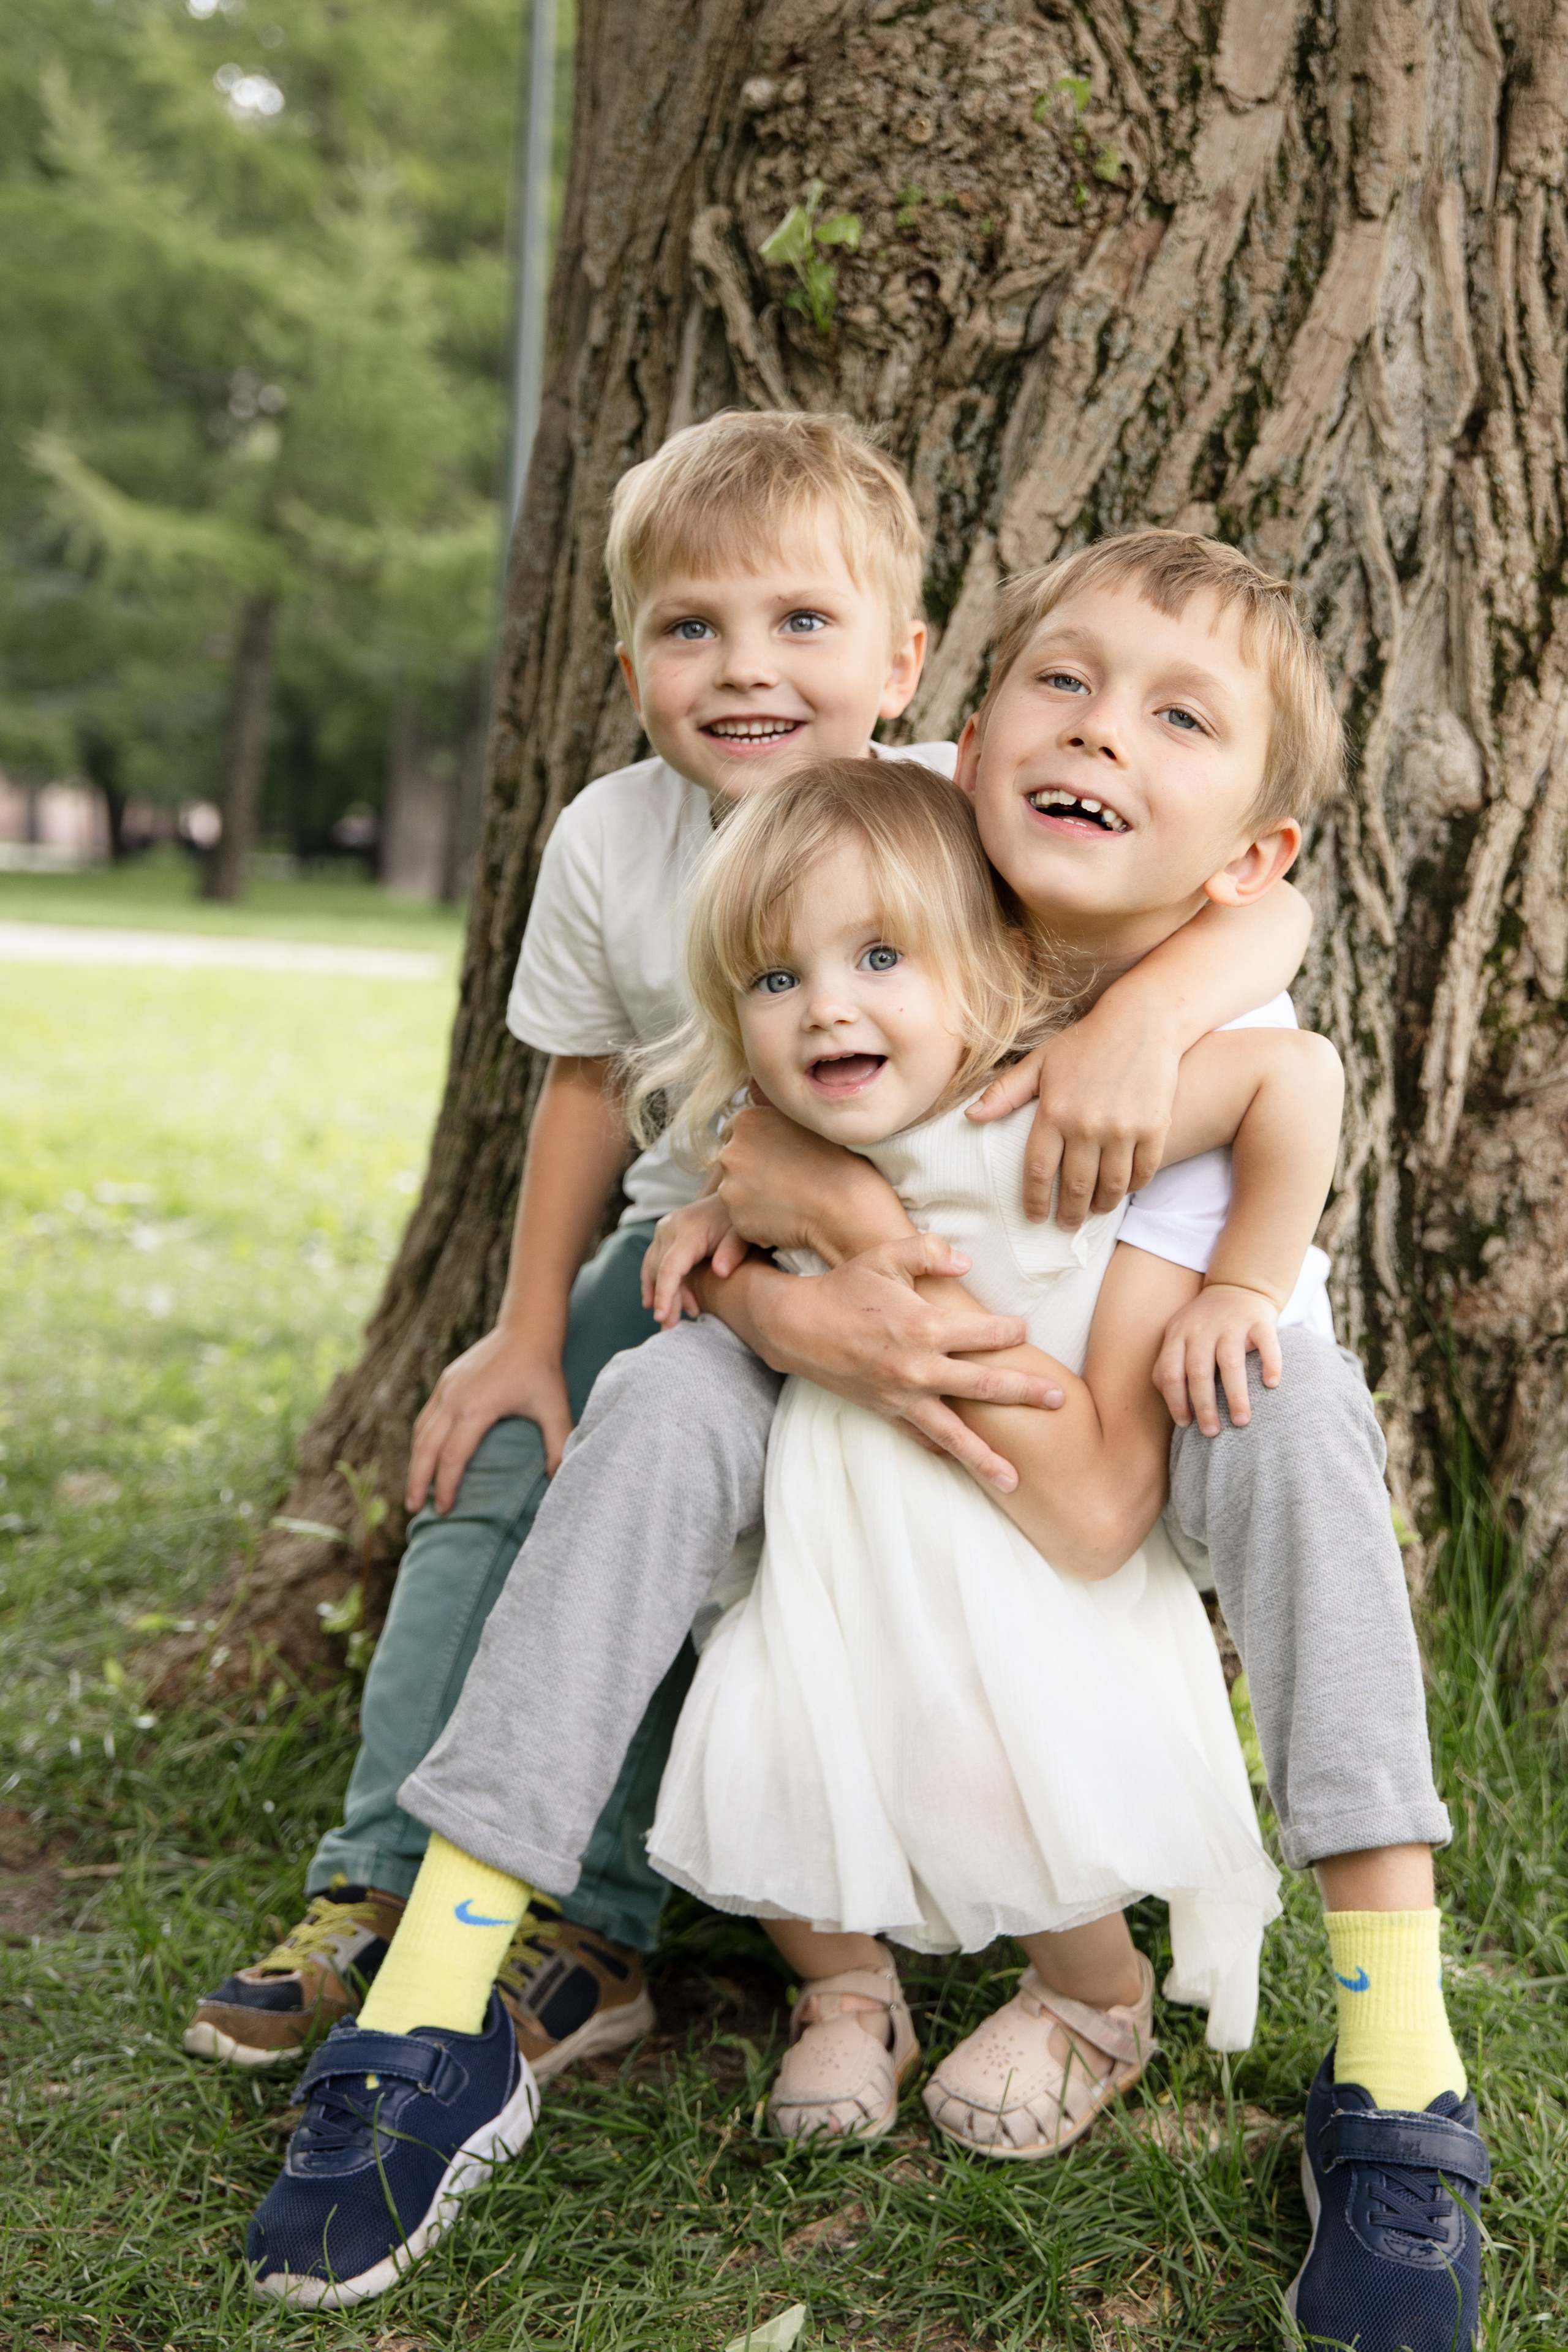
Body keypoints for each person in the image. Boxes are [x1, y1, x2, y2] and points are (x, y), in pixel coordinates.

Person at [245, 535, 1488, 2352]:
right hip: (842, 1357)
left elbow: (1091, 1503)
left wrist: (1138, 1031)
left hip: (1118, 1409)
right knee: (659, 1396)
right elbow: (752, 1105)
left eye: (1176, 719)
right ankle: (433, 2009)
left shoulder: (1217, 1035)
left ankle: (1395, 2066)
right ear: (966, 741)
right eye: (1063, 686)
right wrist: (782, 1283)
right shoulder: (917, 824)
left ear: (1244, 847)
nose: (1100, 734)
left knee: (1305, 1424)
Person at [189, 424, 1308, 2082]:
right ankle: (378, 1879)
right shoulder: (609, 839)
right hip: (684, 1242)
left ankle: (593, 1925)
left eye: (800, 624)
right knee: (510, 1465)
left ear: (906, 669)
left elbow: (1264, 908)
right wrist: (521, 1330)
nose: (745, 669)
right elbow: (585, 1086)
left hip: (930, 1235)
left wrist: (1144, 1022)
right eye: (691, 629)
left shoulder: (946, 801)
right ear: (628, 662)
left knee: (735, 1537)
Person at [635, 758, 1334, 2150]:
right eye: (775, 979)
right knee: (773, 1754)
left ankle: (1094, 1998)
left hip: (1010, 1559)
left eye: (879, 958)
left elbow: (1295, 1077)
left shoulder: (1024, 1121)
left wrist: (1247, 1285)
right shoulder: (780, 1153)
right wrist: (711, 1228)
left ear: (985, 966)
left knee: (992, 1775)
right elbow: (734, 1234)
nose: (827, 1006)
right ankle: (846, 1992)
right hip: (829, 1557)